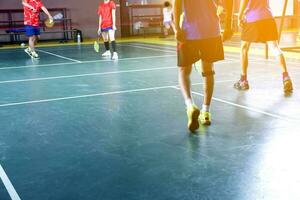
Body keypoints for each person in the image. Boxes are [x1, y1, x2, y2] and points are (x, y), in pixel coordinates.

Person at [173, 0, 233, 132]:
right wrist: (229, 25)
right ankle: (205, 112)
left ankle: (190, 106)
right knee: (208, 71)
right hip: (211, 31)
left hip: (189, 31)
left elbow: (176, 4)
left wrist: (176, 28)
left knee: (184, 70)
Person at [234, 0, 293, 93]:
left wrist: (239, 16)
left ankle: (243, 80)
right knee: (275, 48)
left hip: (252, 19)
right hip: (268, 18)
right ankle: (286, 77)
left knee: (244, 48)